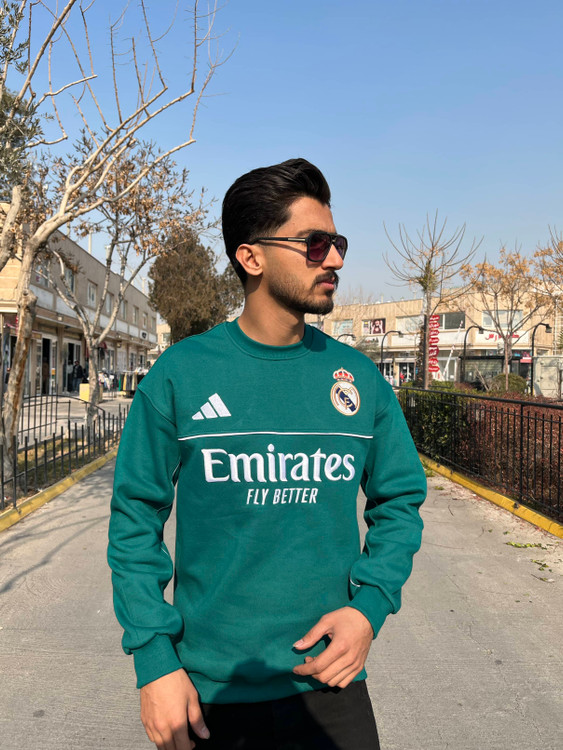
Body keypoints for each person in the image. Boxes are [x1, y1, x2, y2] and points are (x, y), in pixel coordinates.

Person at [108, 158, 427, 750]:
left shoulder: (359, 379)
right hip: (211, 694)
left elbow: (400, 501)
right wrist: (153, 660)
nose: (334, 260)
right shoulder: (181, 375)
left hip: (331, 685)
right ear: (251, 257)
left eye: (337, 244)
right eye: (314, 244)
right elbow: (134, 522)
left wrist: (369, 609)